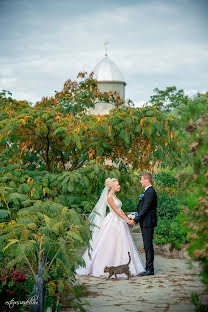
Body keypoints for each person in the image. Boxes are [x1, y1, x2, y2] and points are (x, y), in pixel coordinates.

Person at [76, 178, 145, 278]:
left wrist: (128, 219)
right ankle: (106, 267)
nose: (119, 186)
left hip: (120, 221)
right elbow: (116, 212)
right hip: (112, 221)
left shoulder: (115, 197)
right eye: (117, 185)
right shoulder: (109, 197)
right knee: (110, 242)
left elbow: (120, 210)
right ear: (112, 186)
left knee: (122, 241)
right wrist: (125, 219)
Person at [129, 173, 157, 276]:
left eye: (141, 180)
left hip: (148, 223)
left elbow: (145, 209)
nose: (140, 181)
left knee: (148, 246)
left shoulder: (150, 192)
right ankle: (148, 267)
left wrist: (135, 219)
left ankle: (150, 269)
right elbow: (143, 207)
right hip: (145, 222)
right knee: (146, 245)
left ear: (147, 180)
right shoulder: (147, 191)